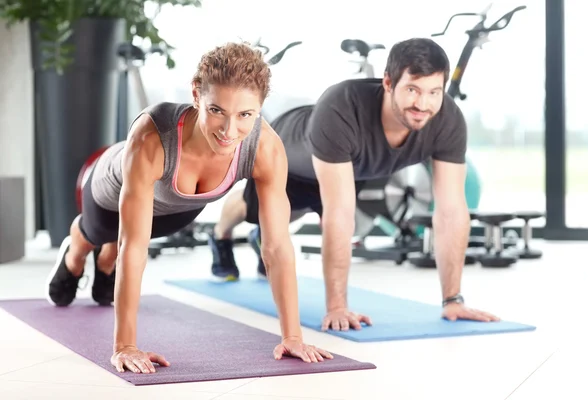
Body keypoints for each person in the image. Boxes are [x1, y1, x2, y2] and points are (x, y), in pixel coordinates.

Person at [45, 42, 333, 374]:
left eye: (245, 115)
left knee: (118, 253)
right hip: (109, 192)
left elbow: (276, 245)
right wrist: (125, 345)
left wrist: (293, 336)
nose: (229, 131)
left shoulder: (265, 147)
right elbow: (134, 246)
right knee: (100, 235)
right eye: (217, 111)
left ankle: (105, 263)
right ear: (196, 94)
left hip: (178, 208)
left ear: (260, 107)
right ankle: (76, 254)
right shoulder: (153, 136)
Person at [209, 38, 500, 332]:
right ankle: (220, 235)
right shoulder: (343, 107)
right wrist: (337, 307)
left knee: (294, 214)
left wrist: (453, 299)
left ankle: (265, 232)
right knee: (253, 209)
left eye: (433, 92)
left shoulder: (446, 120)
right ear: (388, 82)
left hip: (348, 166)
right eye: (412, 90)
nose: (423, 104)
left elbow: (451, 211)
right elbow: (339, 213)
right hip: (291, 154)